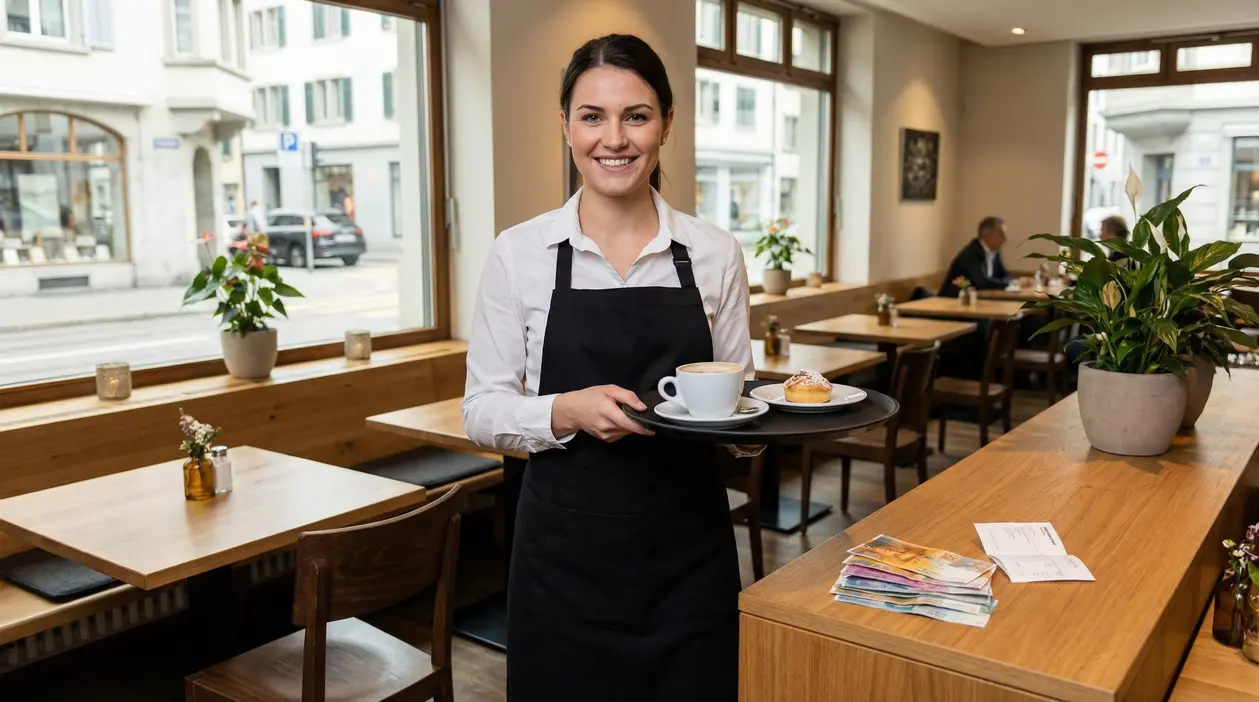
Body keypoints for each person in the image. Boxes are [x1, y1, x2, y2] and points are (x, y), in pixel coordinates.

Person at [462, 33, 752, 702]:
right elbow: (480, 411)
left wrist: (768, 417)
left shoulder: (711, 253)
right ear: (565, 126)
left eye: (636, 115)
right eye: (592, 116)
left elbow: (738, 399)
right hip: (562, 560)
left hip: (688, 553)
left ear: (667, 125)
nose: (613, 138)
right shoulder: (520, 252)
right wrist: (564, 410)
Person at [939, 216, 1011, 296]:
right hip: (951, 302)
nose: (1005, 239)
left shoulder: (995, 252)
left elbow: (1005, 275)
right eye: (1001, 235)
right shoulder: (971, 254)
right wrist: (1010, 283)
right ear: (987, 235)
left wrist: (1011, 282)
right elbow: (982, 283)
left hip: (975, 300)